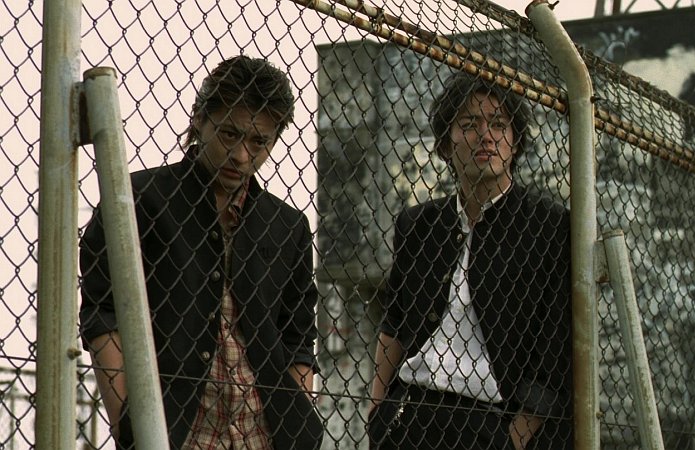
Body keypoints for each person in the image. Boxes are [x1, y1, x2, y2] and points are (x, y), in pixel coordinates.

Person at [80, 55, 323, 450]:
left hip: (266, 435)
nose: (241, 155)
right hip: (176, 432)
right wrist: (126, 417)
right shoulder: (139, 199)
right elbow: (102, 311)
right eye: (229, 134)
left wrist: (295, 414)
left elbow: (297, 332)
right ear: (199, 120)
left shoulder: (287, 225)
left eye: (259, 142)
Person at [368, 71, 573, 450]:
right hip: (412, 413)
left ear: (515, 142)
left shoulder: (549, 225)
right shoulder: (419, 225)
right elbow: (393, 321)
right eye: (469, 125)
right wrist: (378, 409)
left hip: (493, 423)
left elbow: (555, 348)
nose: (486, 136)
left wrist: (512, 440)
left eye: (498, 124)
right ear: (446, 145)